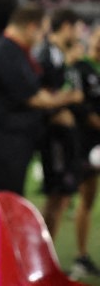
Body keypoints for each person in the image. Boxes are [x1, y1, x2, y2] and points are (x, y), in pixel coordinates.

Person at [0, 3, 83, 286]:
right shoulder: (7, 52)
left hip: (6, 144)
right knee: (0, 209)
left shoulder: (13, 51)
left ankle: (0, 271)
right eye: (41, 31)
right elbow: (36, 98)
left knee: (3, 209)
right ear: (31, 27)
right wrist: (70, 98)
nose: (42, 38)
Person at [35, 7, 85, 241]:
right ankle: (40, 253)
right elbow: (39, 95)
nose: (79, 35)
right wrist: (62, 104)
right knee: (56, 196)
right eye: (77, 29)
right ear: (66, 27)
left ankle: (47, 252)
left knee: (63, 197)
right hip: (53, 136)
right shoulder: (45, 55)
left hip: (65, 136)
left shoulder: (62, 56)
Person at [71, 26, 100, 280]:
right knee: (87, 198)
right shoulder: (81, 68)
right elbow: (84, 109)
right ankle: (81, 255)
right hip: (88, 143)